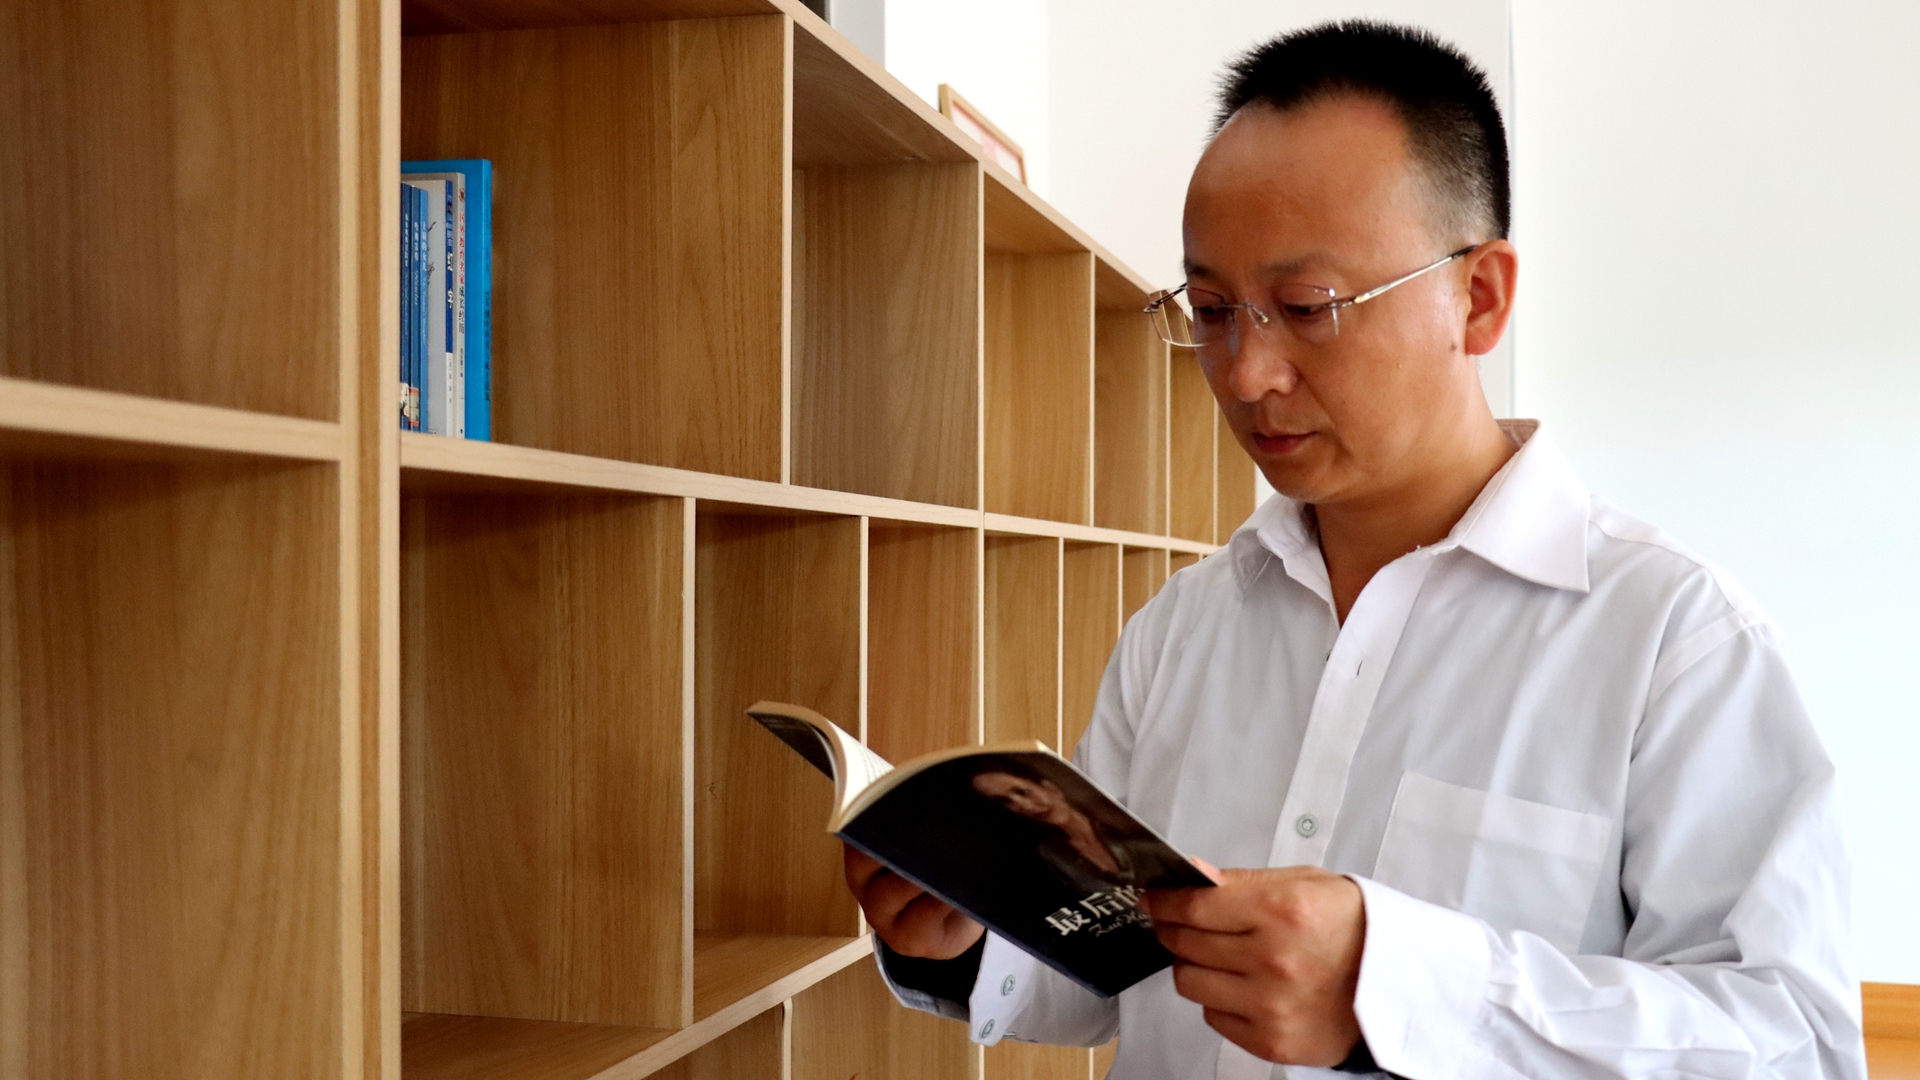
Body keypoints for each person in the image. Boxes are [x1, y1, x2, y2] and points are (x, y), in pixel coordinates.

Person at [842, 20, 1865, 1080]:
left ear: (1478, 297)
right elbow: (1121, 962)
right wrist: (971, 934)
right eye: (1212, 310)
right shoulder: (1182, 628)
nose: (1246, 374)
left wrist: (1403, 991)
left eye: (1307, 307)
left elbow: (1798, 1045)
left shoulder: (1676, 644)